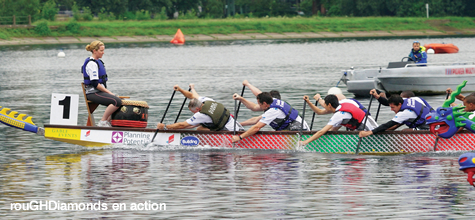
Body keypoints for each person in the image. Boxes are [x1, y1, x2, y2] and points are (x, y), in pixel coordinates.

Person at [156, 84, 243, 131]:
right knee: (198, 126)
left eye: (193, 112)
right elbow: (192, 95)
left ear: (197, 109)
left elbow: (182, 125)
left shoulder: (201, 114)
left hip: (229, 131)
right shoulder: (207, 100)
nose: (194, 114)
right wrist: (180, 90)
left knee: (199, 128)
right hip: (236, 126)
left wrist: (165, 127)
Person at [300, 94, 378, 146]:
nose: (325, 107)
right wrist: (308, 102)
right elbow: (319, 112)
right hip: (367, 125)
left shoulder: (339, 115)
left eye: (325, 105)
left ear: (329, 105)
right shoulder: (343, 103)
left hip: (369, 131)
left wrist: (305, 142)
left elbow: (321, 132)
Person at [231, 92, 309, 143]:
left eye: (259, 104)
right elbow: (255, 119)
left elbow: (256, 128)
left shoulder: (273, 111)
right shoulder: (273, 100)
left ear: (264, 103)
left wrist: (240, 137)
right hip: (298, 126)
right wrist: (237, 124)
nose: (259, 106)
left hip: (300, 131)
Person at [82, 40, 122, 127]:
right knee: (117, 101)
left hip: (98, 92)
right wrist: (109, 92)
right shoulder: (92, 64)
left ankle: (108, 122)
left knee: (122, 102)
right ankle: (103, 122)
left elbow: (83, 72)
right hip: (93, 93)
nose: (103, 53)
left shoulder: (97, 62)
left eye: (103, 50)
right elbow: (95, 83)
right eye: (101, 51)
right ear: (94, 51)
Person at [359, 95, 432, 138]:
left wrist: (369, 133)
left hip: (427, 127)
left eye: (393, 108)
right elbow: (387, 103)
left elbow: (387, 124)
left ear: (399, 104)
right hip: (430, 119)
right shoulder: (407, 100)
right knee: (393, 127)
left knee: (405, 131)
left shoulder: (405, 113)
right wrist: (378, 97)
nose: (391, 109)